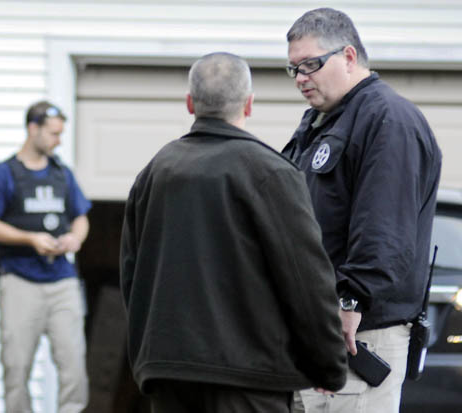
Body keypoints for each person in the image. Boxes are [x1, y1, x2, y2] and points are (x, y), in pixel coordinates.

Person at [120, 52, 348, 412]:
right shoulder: (269, 172)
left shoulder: (155, 172)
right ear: (249, 104)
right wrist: (329, 365)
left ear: (190, 103)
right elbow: (305, 280)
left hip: (169, 377)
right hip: (250, 380)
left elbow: (132, 277)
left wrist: (147, 361)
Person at [283, 8, 442, 413]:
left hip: (358, 334)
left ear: (349, 56)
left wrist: (350, 302)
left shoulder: (388, 119)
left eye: (311, 65)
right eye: (294, 69)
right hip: (318, 335)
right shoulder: (324, 122)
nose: (301, 77)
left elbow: (385, 228)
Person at [0, 101, 90, 412]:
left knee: (73, 363)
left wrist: (74, 239)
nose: (58, 140)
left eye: (61, 134)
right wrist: (30, 239)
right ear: (33, 129)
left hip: (61, 280)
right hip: (19, 280)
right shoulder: (4, 173)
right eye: (53, 133)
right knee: (16, 366)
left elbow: (81, 217)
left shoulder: (62, 174)